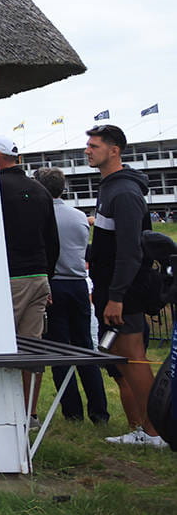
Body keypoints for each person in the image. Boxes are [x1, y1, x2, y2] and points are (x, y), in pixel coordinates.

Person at [85, 124, 166, 448]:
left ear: (114, 150)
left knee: (133, 357)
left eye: (94, 145)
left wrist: (116, 297)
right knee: (119, 357)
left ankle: (155, 431)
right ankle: (142, 428)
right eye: (87, 145)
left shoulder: (125, 192)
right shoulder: (109, 188)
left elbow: (131, 251)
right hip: (109, 288)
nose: (88, 150)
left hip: (125, 291)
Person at [34, 166, 109, 424]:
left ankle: (72, 412)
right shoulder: (78, 216)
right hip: (78, 283)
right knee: (85, 348)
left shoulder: (41, 216)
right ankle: (99, 411)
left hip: (55, 283)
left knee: (59, 350)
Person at [0, 134, 58, 416]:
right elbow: (52, 240)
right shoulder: (41, 189)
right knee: (32, 349)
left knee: (0, 346)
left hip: (9, 277)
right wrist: (49, 277)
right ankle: (29, 413)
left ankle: (4, 414)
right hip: (39, 276)